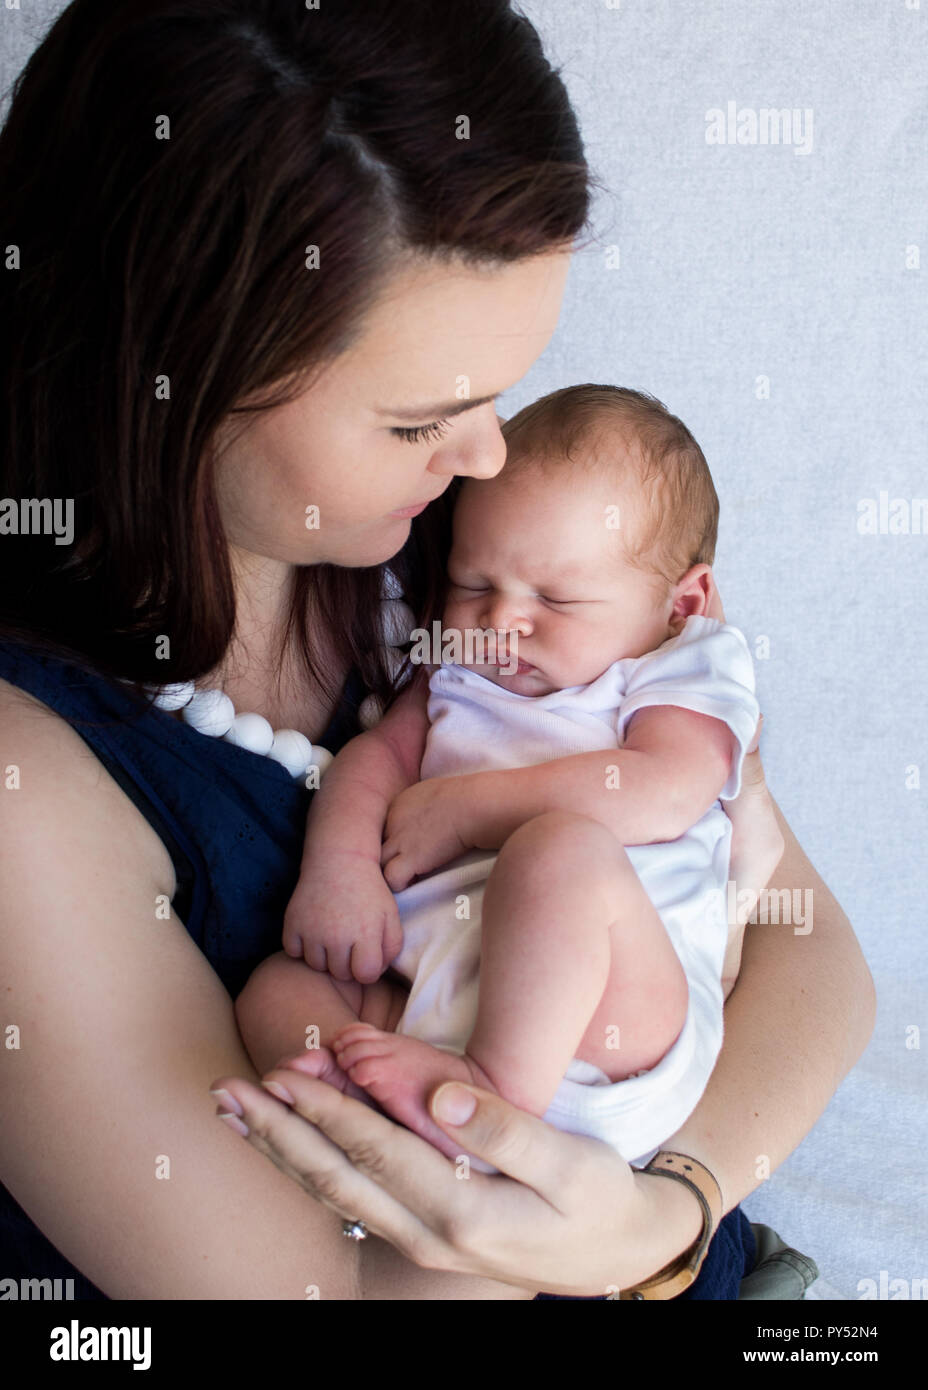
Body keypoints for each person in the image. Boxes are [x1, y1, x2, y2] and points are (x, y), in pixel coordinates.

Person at [0, 0, 873, 1301]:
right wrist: (554, 1210)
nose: (487, 455)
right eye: (425, 419)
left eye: (500, 391)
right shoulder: (35, 782)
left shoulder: (494, 551)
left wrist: (661, 1211)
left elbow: (814, 959)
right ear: (166, 368)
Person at [234, 385, 762, 1180]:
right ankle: (353, 1101)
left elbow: (665, 791)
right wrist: (339, 870)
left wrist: (470, 810)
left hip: (611, 1020)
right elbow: (375, 761)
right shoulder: (455, 662)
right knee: (278, 989)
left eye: (555, 599)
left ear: (680, 602)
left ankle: (485, 1100)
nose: (500, 621)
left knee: (560, 853)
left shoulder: (675, 666)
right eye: (475, 585)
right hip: (432, 1004)